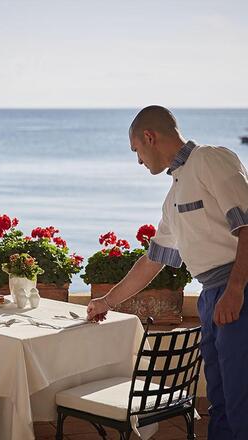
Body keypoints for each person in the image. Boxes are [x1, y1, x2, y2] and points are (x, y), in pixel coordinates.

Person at [87, 106, 248, 440]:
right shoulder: (173, 197)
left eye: (137, 151)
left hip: (239, 291)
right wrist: (107, 300)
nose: (139, 161)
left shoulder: (210, 159)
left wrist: (235, 290)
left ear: (150, 137)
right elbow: (152, 261)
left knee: (242, 403)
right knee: (219, 403)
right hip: (211, 297)